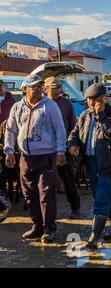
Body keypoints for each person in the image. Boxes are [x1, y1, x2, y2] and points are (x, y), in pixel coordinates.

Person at [4, 74, 67, 243]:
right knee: (29, 194)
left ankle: (49, 229)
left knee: (46, 194)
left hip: (46, 156)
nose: (39, 89)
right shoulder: (17, 107)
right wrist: (9, 151)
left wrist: (61, 152)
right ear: (25, 89)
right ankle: (37, 226)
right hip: (25, 157)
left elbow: (60, 129)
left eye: (40, 86)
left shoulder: (50, 106)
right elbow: (10, 130)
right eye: (34, 87)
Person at [68, 84, 111, 250]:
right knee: (101, 194)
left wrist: (102, 116)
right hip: (90, 162)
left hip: (107, 163)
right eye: (89, 100)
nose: (90, 104)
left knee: (100, 199)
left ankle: (94, 236)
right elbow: (74, 133)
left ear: (103, 99)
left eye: (94, 101)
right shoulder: (85, 115)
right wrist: (72, 144)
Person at [44, 77, 81, 219]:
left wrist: (71, 145)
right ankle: (46, 213)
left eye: (59, 87)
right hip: (45, 148)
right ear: (46, 88)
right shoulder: (42, 104)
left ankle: (75, 207)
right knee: (46, 182)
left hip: (62, 147)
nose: (57, 90)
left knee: (68, 179)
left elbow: (73, 126)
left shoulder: (66, 104)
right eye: (54, 88)